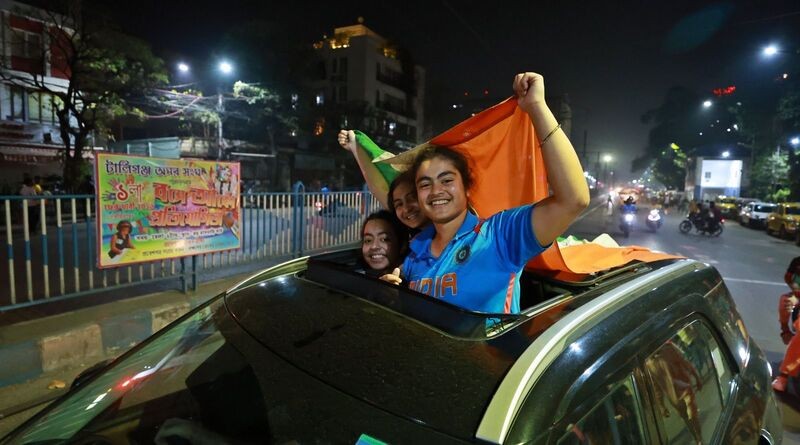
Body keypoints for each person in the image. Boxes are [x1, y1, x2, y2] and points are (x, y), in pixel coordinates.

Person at [382, 72, 589, 314]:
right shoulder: (416, 251)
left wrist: (536, 107)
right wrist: (389, 295)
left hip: (492, 353)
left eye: (446, 180)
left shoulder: (500, 234)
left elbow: (573, 200)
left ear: (467, 187)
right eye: (425, 184)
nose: (436, 191)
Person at [338, 130, 431, 233]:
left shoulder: (445, 234)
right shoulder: (411, 238)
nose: (406, 209)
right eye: (398, 204)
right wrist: (356, 148)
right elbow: (375, 187)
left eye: (412, 198)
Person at [773, 256, 800, 391]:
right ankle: (783, 375)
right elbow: (788, 277)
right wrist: (796, 290)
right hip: (797, 297)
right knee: (786, 303)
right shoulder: (796, 262)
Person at [359, 210, 406, 277]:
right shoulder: (361, 278)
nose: (374, 246)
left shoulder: (413, 281)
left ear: (403, 245)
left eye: (384, 239)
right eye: (368, 240)